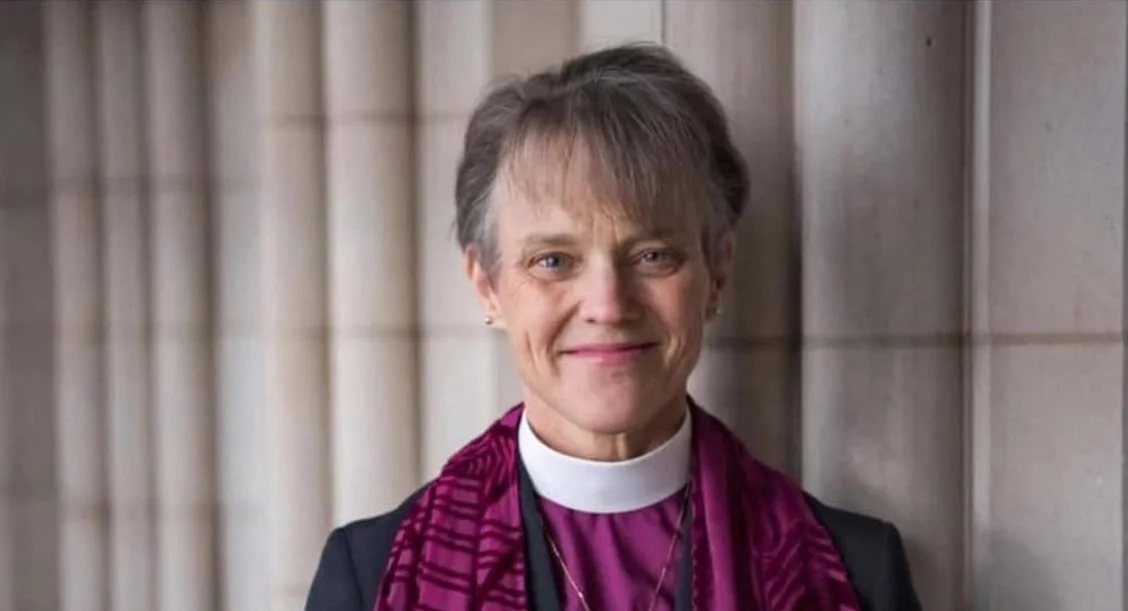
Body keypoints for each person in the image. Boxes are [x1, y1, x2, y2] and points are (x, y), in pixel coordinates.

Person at [305, 43, 922, 611]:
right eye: (553, 261)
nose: (608, 305)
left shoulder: (861, 574)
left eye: (653, 255)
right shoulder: (367, 579)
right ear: (487, 285)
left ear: (716, 271)